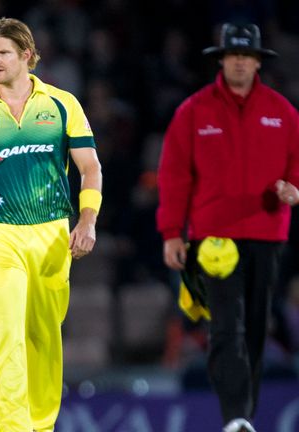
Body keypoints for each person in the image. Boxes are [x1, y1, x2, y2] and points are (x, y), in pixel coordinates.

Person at [0, 17, 103, 432]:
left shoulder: (62, 104)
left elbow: (91, 168)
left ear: (27, 55)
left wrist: (87, 221)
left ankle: (41, 425)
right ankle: (11, 426)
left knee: (43, 336)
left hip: (51, 235)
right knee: (7, 330)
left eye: (3, 53)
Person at [157, 23, 299, 432]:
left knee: (255, 326)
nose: (239, 61)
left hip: (267, 234)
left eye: (246, 55)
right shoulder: (194, 112)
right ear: (221, 60)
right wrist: (171, 232)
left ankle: (242, 417)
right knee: (225, 325)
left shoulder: (282, 111)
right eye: (232, 54)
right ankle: (235, 416)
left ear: (257, 62)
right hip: (212, 237)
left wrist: (293, 187)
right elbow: (174, 176)